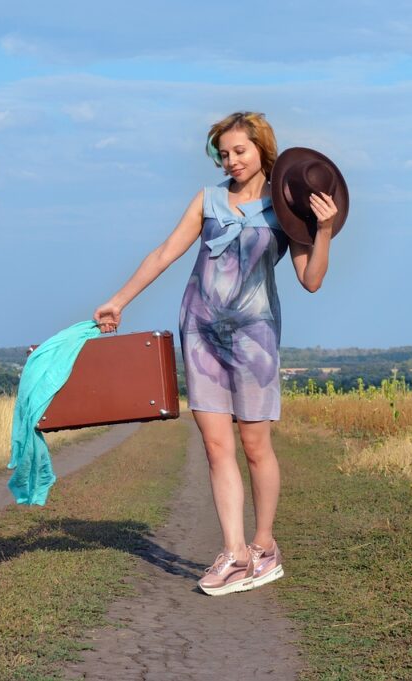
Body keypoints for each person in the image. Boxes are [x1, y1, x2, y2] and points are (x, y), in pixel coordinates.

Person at [93, 111, 338, 596]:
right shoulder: (206, 201)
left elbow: (311, 281)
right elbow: (166, 252)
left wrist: (324, 229)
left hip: (255, 338)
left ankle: (264, 548)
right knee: (215, 445)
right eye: (223, 153)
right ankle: (234, 553)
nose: (231, 160)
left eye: (239, 151)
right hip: (200, 332)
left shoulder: (286, 207)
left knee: (254, 445)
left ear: (262, 149)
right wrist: (119, 300)